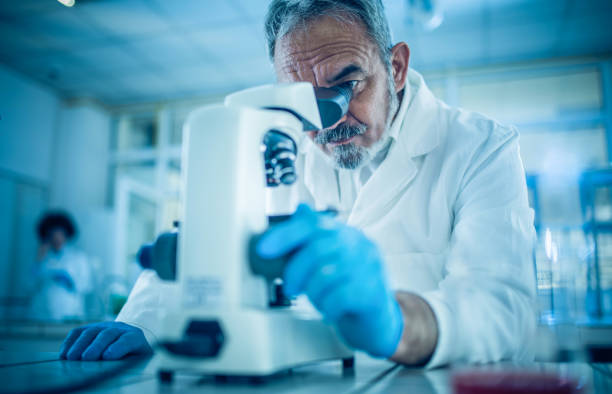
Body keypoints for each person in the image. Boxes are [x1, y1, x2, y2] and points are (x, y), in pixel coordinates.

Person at [60, 0, 536, 366]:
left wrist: (399, 325)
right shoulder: (284, 147)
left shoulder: (480, 147)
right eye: (302, 98)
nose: (326, 122)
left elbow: (503, 310)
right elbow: (210, 236)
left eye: (347, 85)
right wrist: (141, 323)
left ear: (395, 67)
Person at [30, 211, 92, 321]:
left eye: (60, 233)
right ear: (46, 236)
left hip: (69, 312)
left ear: (67, 234)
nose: (56, 238)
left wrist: (69, 281)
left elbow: (86, 286)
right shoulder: (41, 258)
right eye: (52, 234)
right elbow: (28, 286)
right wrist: (38, 261)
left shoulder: (78, 257)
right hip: (42, 315)